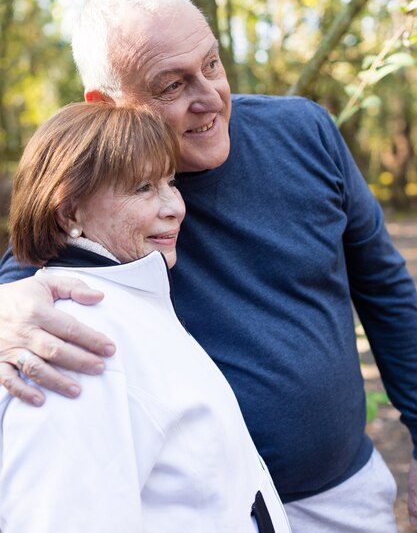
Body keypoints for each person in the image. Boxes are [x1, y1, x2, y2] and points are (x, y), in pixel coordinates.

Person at [0, 0, 416, 533]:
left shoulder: (305, 132)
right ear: (106, 104)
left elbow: (387, 290)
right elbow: (31, 281)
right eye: (171, 86)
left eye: (212, 64)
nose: (209, 97)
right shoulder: (99, 198)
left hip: (346, 495)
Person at [0, 101, 291, 533]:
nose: (174, 206)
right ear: (70, 213)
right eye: (142, 188)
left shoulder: (130, 303)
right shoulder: (74, 341)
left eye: (169, 182)